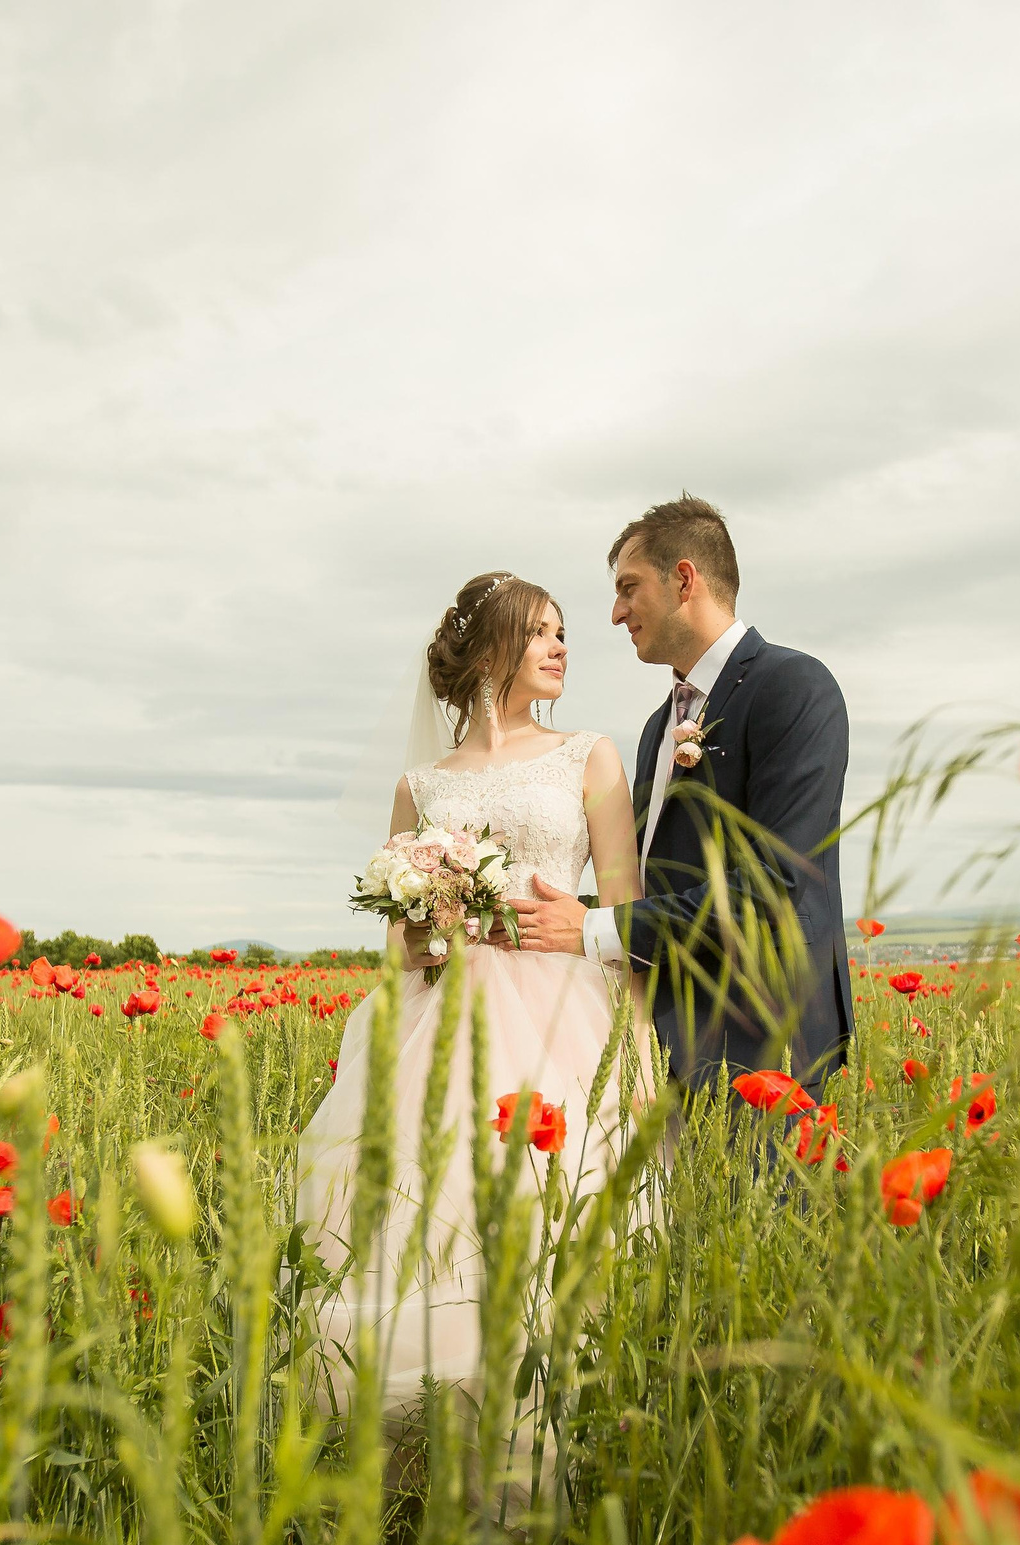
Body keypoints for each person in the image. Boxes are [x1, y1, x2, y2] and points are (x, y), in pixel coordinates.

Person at [299, 570, 653, 1435]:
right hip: (437, 1017)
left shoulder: (591, 754)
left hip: (560, 1010)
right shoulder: (420, 786)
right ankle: (424, 1430)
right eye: (541, 631)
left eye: (563, 631)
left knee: (543, 1207)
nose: (562, 645)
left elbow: (625, 906)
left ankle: (541, 1421)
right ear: (493, 646)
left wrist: (638, 1044)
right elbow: (396, 943)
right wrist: (421, 938)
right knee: (426, 1217)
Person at [509, 494, 855, 1091]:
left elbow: (776, 888)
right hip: (665, 1040)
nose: (616, 613)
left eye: (629, 587)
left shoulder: (793, 687)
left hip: (764, 1043)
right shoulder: (656, 727)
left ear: (684, 579)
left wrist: (593, 929)